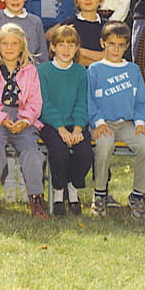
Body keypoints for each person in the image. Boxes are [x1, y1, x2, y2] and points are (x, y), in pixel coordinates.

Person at [0, 23, 48, 219]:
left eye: (14, 44)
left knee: (31, 149)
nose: (9, 48)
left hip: (23, 117)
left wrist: (25, 120)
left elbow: (35, 102)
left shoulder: (30, 70)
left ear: (22, 47)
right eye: (5, 43)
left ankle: (36, 199)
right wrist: (2, 119)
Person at [0, 0, 47, 202]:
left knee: (26, 140)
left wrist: (31, 80)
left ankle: (26, 183)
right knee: (0, 139)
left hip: (26, 88)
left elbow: (41, 54)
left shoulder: (34, 21)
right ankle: (9, 181)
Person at [87, 21, 145, 218]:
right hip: (102, 123)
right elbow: (89, 101)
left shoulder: (133, 70)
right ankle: (100, 194)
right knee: (105, 143)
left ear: (126, 46)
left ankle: (137, 195)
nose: (116, 49)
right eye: (111, 44)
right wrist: (98, 123)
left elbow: (142, 100)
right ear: (103, 43)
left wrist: (140, 123)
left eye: (120, 45)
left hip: (126, 123)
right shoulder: (94, 69)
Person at [37, 25, 93, 216]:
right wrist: (61, 129)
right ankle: (59, 193)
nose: (66, 49)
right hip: (51, 123)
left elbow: (82, 102)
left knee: (85, 153)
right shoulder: (43, 71)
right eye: (61, 44)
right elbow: (45, 103)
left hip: (74, 122)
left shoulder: (80, 71)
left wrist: (77, 128)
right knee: (60, 153)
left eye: (71, 45)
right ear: (52, 47)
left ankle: (73, 188)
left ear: (77, 48)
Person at [62, 0, 106, 67]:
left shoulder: (108, 27)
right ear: (76, 0)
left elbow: (112, 56)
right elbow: (69, 58)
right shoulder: (68, 25)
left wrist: (81, 51)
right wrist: (100, 58)